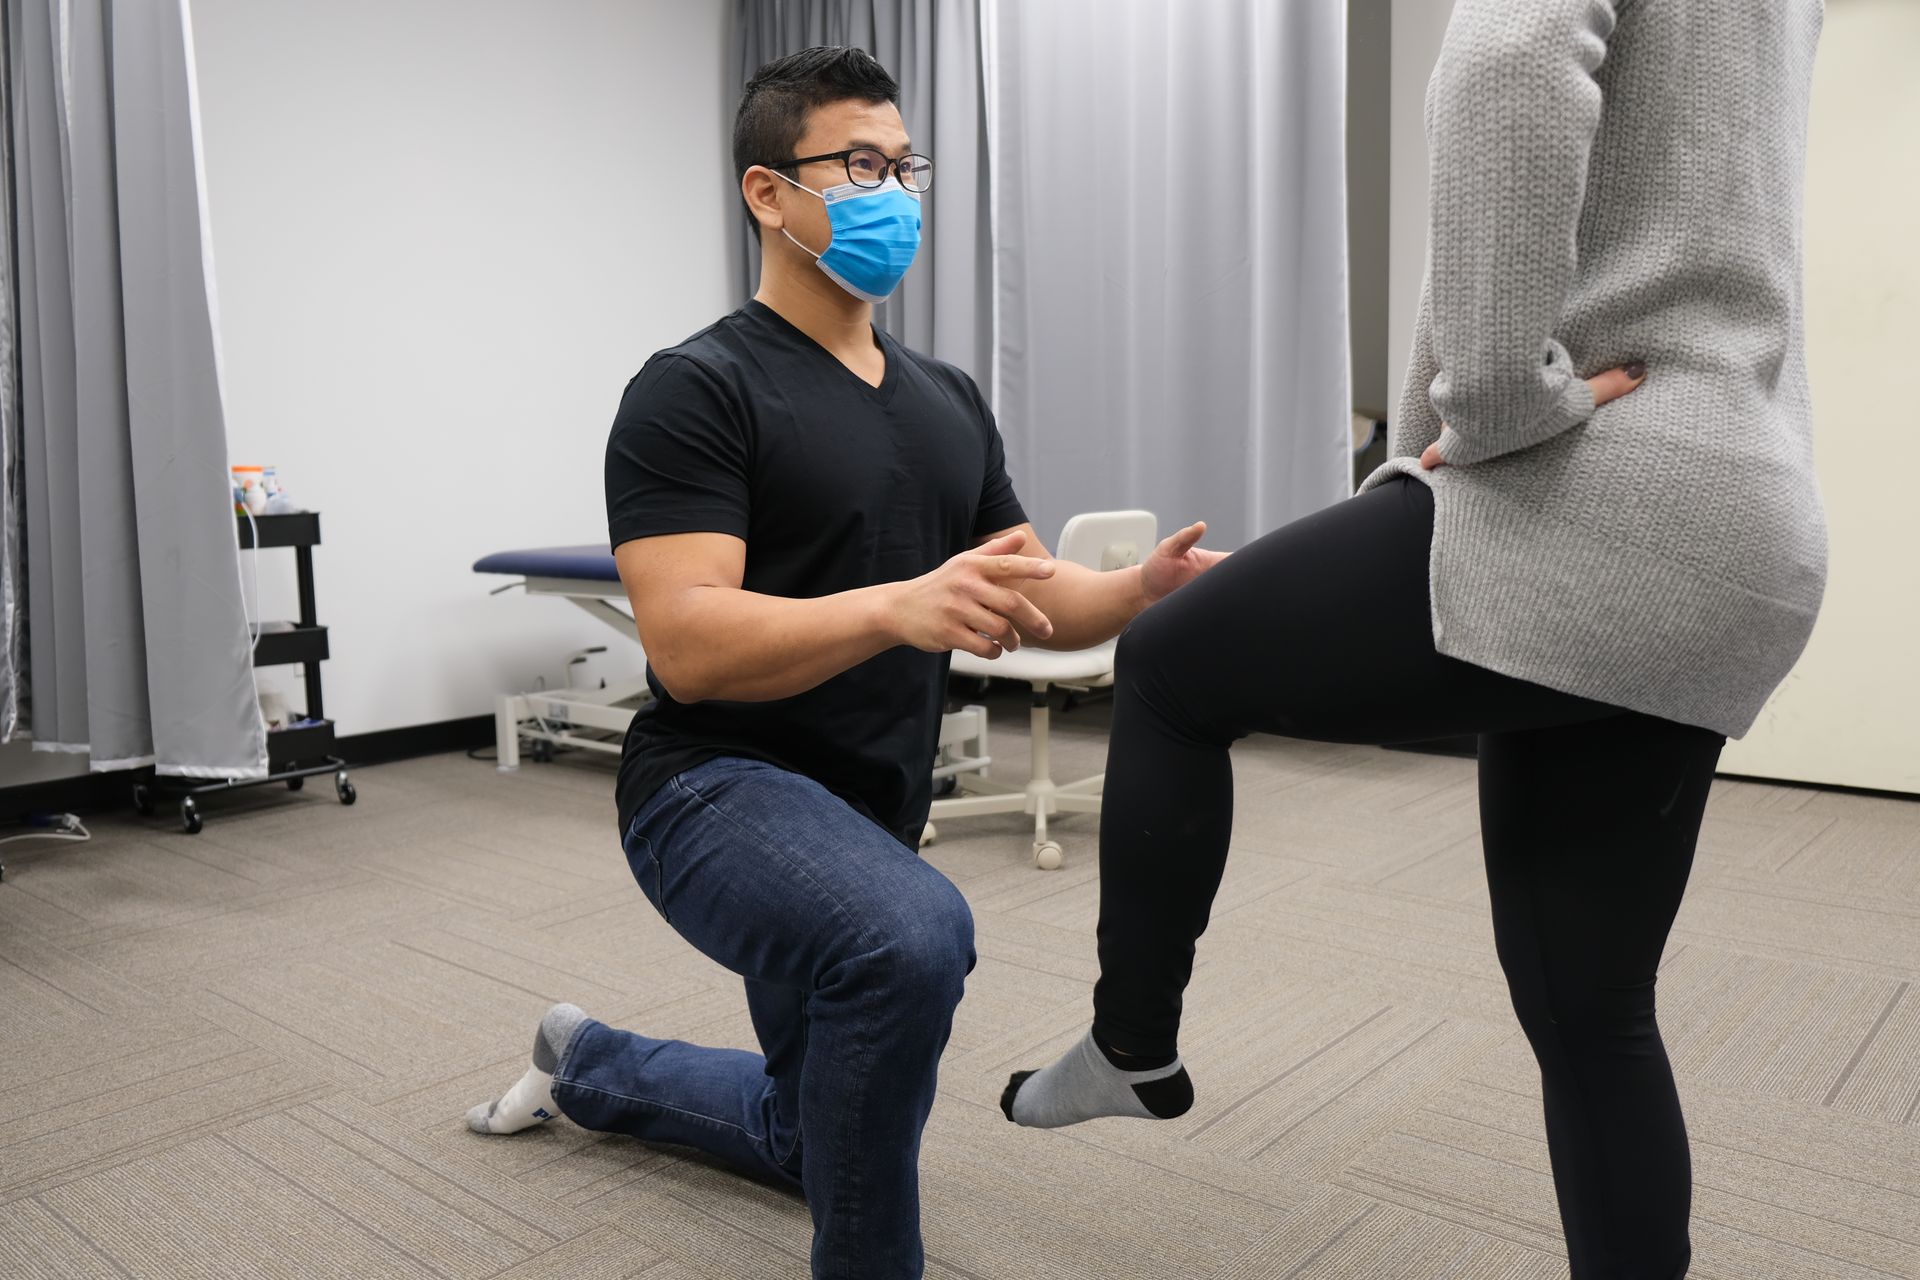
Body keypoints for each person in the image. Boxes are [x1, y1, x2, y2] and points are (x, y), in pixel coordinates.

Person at [1003, 2, 1827, 1277]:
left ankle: (1132, 1043)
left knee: (1169, 668)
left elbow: (1505, 59)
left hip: (1597, 485)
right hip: (1744, 518)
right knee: (1592, 1009)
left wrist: (1497, 395)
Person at [463, 46, 1222, 1280]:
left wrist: (1142, 590)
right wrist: (895, 608)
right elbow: (689, 644)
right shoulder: (693, 390)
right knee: (911, 939)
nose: (897, 191)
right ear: (770, 192)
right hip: (711, 789)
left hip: (869, 815)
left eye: (905, 164)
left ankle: (585, 1059)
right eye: (862, 164)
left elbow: (1039, 595)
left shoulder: (946, 399)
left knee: (815, 1131)